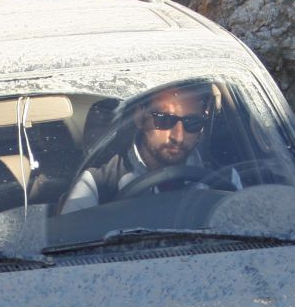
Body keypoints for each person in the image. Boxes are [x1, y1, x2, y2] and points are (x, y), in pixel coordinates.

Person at [57, 82, 240, 213]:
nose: (178, 136)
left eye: (192, 123)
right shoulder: (97, 185)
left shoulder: (226, 179)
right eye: (164, 120)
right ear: (139, 118)